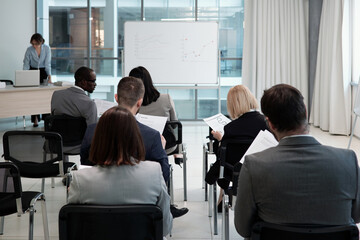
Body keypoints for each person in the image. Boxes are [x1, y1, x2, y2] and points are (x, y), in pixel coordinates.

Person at [234, 84, 360, 238]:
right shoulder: (348, 160)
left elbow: (243, 228)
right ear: (305, 112)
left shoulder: (253, 165)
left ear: (271, 124)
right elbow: (357, 215)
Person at [80, 76, 188, 218]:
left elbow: (86, 165)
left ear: (116, 97)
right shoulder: (152, 136)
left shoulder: (92, 131)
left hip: (99, 209)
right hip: (141, 210)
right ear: (140, 102)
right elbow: (163, 177)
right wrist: (161, 149)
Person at [68, 106, 173, 237]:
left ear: (97, 139)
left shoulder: (80, 179)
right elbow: (165, 226)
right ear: (136, 137)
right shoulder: (153, 172)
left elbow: (73, 228)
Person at [205, 85, 268, 211]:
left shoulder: (231, 128)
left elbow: (224, 155)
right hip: (262, 170)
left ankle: (222, 196)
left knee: (221, 164)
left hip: (235, 172)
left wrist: (220, 139)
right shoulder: (265, 122)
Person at [129, 66, 180, 161]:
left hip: (136, 147)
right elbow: (174, 125)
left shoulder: (130, 103)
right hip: (165, 145)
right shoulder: (166, 98)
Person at [23, 33, 52, 127]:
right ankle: (35, 119)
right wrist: (25, 76)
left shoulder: (47, 48)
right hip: (32, 71)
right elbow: (26, 64)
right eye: (33, 44)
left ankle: (46, 119)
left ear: (41, 42)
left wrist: (49, 76)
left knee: (44, 96)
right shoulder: (29, 50)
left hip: (43, 72)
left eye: (36, 44)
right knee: (34, 96)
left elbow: (47, 63)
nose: (34, 46)